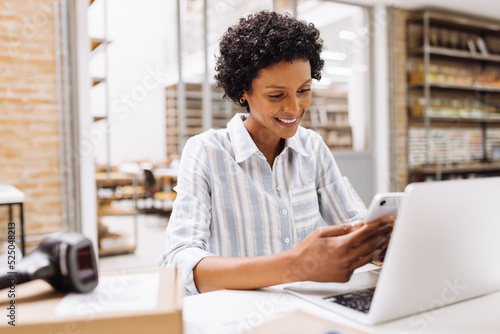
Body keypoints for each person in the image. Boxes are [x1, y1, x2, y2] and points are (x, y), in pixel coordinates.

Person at [160, 10, 394, 295]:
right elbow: (178, 264)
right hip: (238, 315)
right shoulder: (206, 151)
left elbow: (353, 223)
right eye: (276, 95)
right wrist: (295, 265)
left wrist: (377, 245)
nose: (294, 108)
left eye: (304, 90)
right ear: (244, 90)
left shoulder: (312, 147)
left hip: (306, 307)